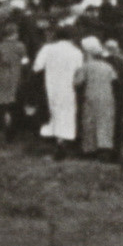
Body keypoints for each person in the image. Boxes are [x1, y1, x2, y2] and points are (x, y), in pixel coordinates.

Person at [33, 26, 84, 158]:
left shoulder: (48, 49)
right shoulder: (76, 52)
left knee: (51, 111)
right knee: (66, 113)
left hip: (50, 85)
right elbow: (80, 70)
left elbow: (37, 67)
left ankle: (53, 142)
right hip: (68, 87)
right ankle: (61, 142)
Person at [74, 38, 118, 160]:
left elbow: (78, 82)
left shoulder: (86, 66)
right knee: (105, 122)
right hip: (107, 96)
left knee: (89, 121)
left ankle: (89, 148)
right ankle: (105, 148)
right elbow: (114, 80)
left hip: (91, 95)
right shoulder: (108, 66)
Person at [0, 22, 28, 136]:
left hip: (2, 75)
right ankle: (13, 124)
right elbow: (25, 62)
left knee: (3, 100)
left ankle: (5, 121)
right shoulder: (21, 46)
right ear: (14, 34)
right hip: (16, 75)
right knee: (14, 100)